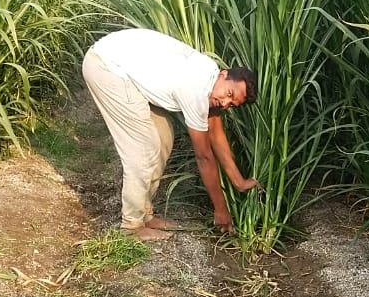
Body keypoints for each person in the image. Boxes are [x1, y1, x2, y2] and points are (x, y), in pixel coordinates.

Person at [82, 28, 260, 241]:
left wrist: (239, 182)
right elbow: (204, 157)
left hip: (124, 67)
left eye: (232, 104)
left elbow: (216, 133)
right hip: (106, 67)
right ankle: (131, 227)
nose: (224, 102)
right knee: (143, 150)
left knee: (164, 136)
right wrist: (221, 210)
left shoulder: (211, 80)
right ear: (224, 74)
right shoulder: (197, 89)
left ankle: (145, 214)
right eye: (229, 94)